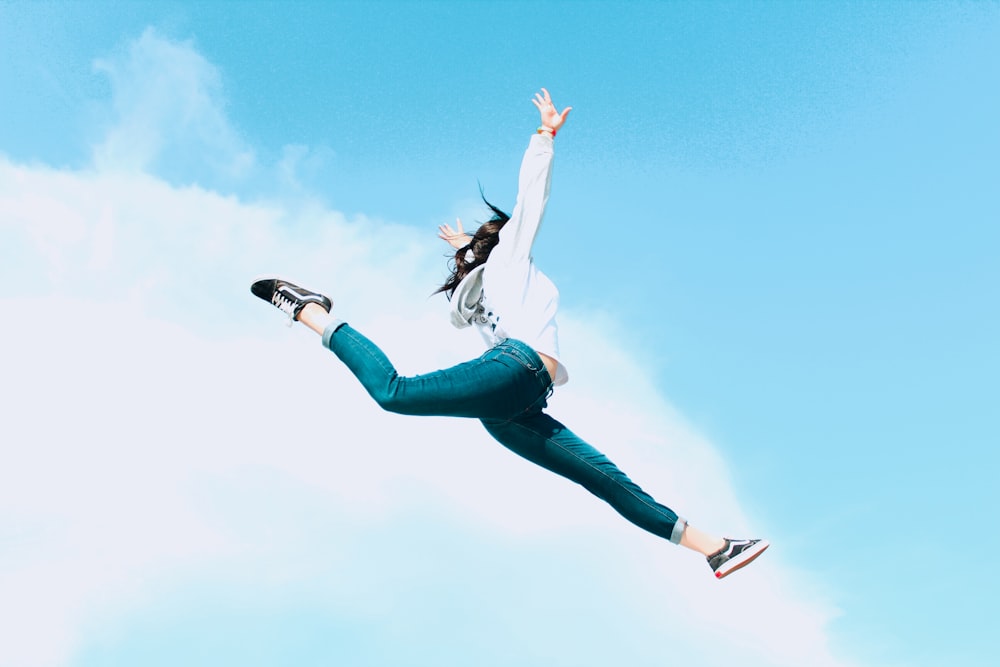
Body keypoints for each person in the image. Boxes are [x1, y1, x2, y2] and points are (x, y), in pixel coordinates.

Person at [251, 88, 768, 579]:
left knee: (603, 479)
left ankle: (717, 550)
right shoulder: (504, 262)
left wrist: (466, 247)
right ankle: (309, 310)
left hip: (516, 402)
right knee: (393, 392)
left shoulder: (487, 279)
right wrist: (545, 138)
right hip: (515, 369)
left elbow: (497, 240)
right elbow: (530, 198)